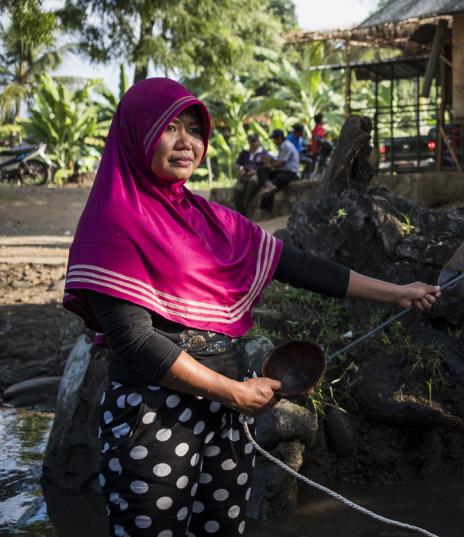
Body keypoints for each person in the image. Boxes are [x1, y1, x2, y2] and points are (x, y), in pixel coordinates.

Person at [62, 78, 441, 537]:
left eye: (194, 129)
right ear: (137, 134)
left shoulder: (213, 220)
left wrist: (398, 292)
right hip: (152, 417)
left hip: (222, 414)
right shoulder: (114, 218)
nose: (186, 142)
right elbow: (134, 339)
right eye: (169, 128)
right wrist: (234, 392)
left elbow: (299, 266)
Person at [253, 129, 299, 212]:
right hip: (282, 171)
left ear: (280, 138)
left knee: (276, 179)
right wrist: (270, 160)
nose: (273, 141)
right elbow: (278, 161)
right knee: (262, 171)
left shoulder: (287, 146)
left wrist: (270, 165)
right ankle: (269, 185)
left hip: (289, 173)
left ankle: (270, 186)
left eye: (274, 139)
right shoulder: (281, 147)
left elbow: (281, 163)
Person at [233, 134, 265, 215]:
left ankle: (246, 202)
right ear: (249, 142)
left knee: (253, 181)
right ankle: (240, 212)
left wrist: (256, 171)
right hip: (244, 175)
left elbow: (267, 166)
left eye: (255, 141)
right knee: (238, 188)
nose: (254, 143)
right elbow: (237, 164)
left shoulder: (263, 153)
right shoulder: (244, 153)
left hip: (256, 175)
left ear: (258, 142)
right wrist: (240, 170)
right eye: (252, 141)